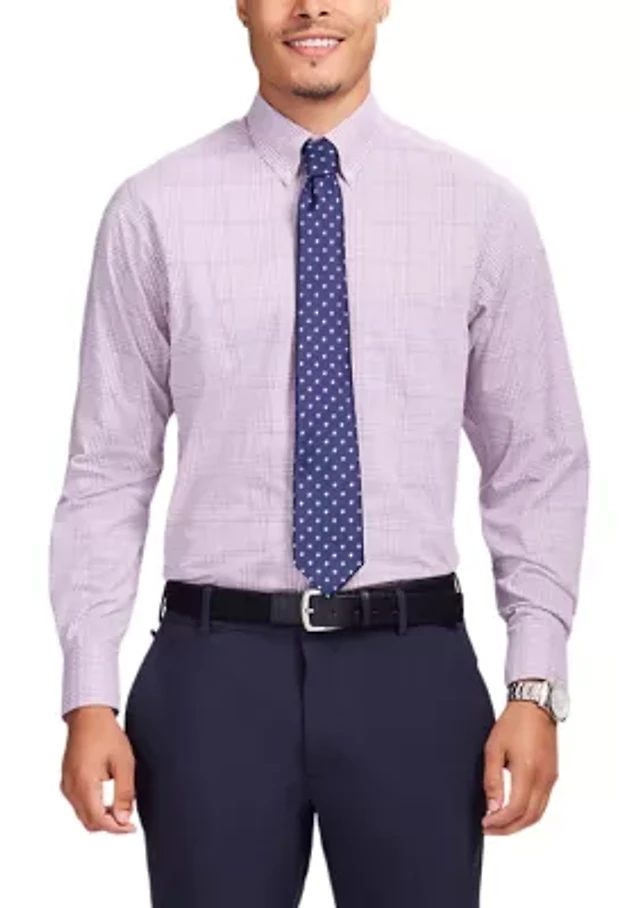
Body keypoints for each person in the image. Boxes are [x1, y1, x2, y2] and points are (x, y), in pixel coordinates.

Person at [48, 1, 590, 905]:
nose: (312, 6)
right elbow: (107, 468)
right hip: (212, 674)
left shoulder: (479, 211)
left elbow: (537, 459)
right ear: (242, 4)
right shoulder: (154, 211)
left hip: (412, 671)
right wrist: (88, 692)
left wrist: (535, 687)